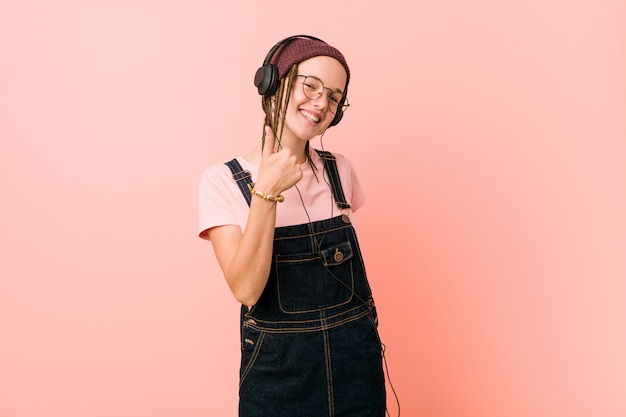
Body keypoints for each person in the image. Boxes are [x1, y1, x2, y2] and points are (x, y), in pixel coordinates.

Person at [198, 35, 386, 417]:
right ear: (273, 83)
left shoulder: (340, 171)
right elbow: (247, 290)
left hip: (357, 367)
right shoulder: (221, 181)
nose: (321, 103)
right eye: (310, 85)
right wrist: (265, 191)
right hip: (280, 377)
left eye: (334, 97)